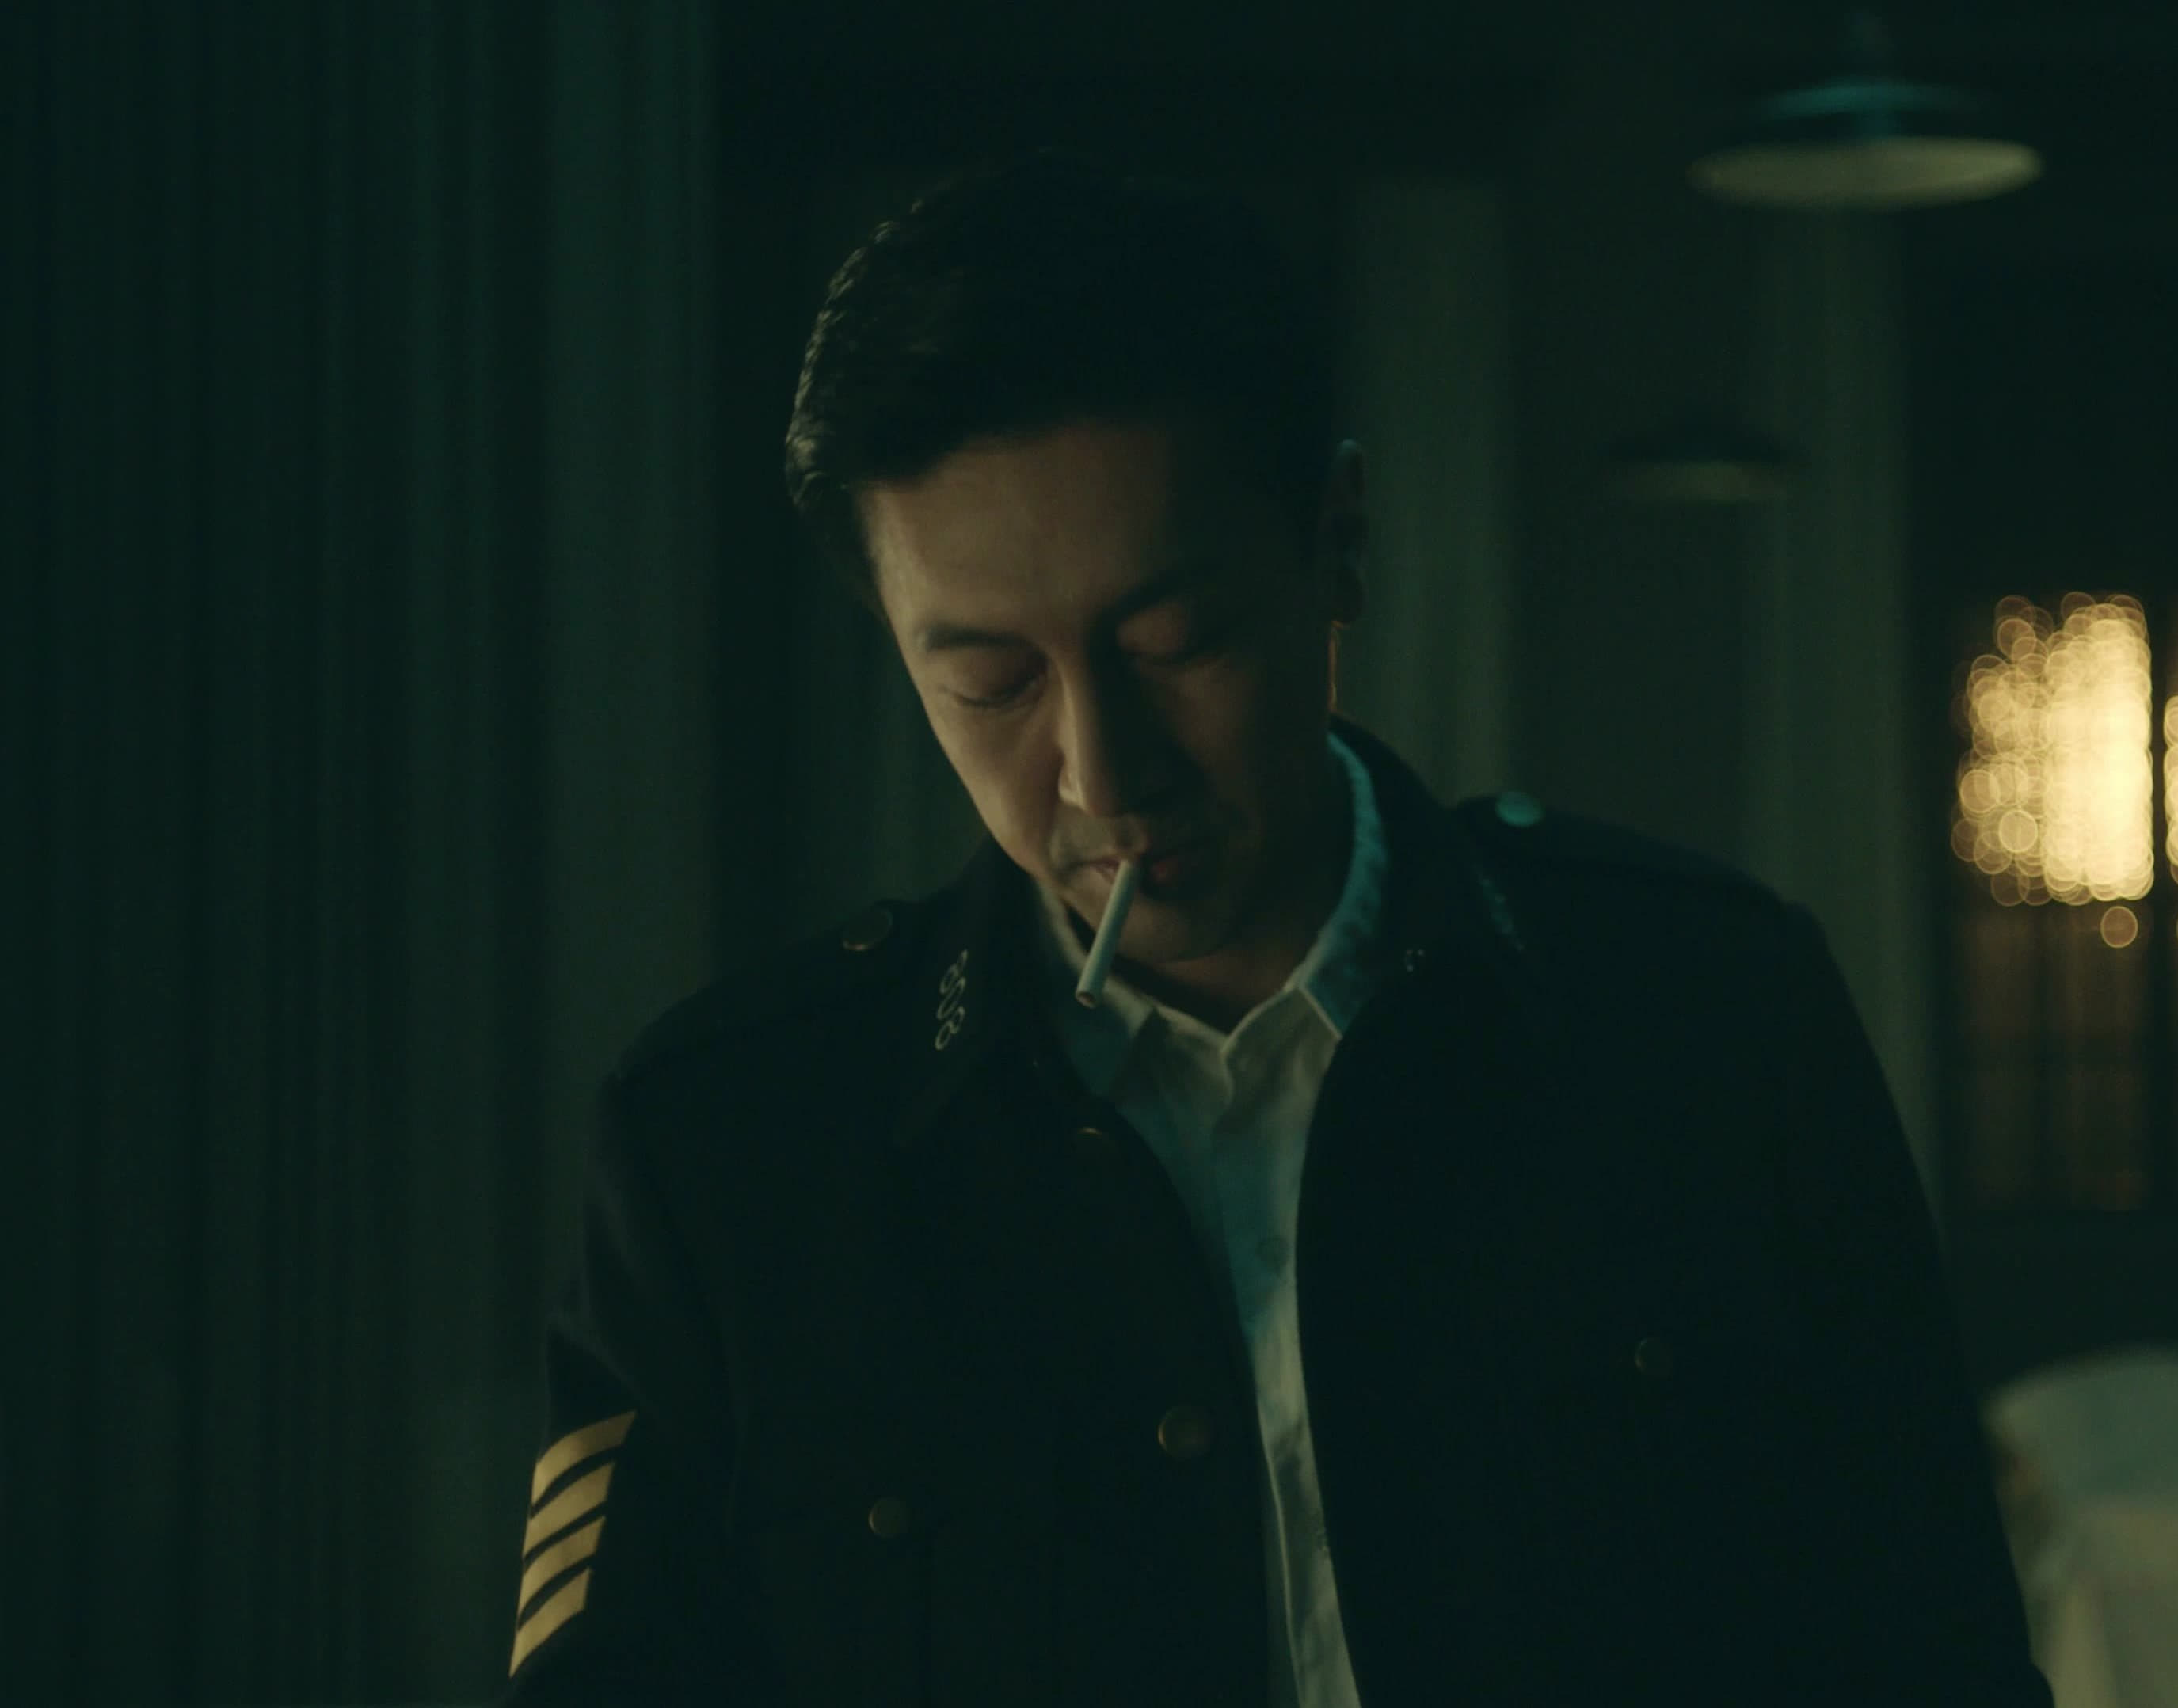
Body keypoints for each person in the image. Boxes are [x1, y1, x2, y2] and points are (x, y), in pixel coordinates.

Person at [496, 153, 2047, 1708]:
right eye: (990, 683)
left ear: (1338, 543)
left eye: (1177, 642)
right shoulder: (736, 1147)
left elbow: (1935, 1654)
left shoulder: (1707, 1019)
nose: (1103, 777)